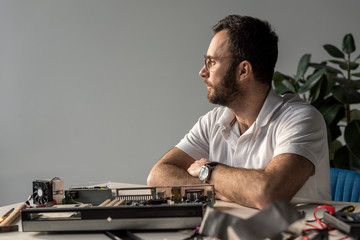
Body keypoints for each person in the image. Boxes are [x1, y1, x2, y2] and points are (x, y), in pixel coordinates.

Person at [147, 15, 331, 209]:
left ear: (243, 70)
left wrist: (208, 170)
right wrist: (220, 190)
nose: (202, 72)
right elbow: (158, 176)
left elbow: (267, 194)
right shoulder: (212, 122)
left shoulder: (301, 120)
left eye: (212, 62)